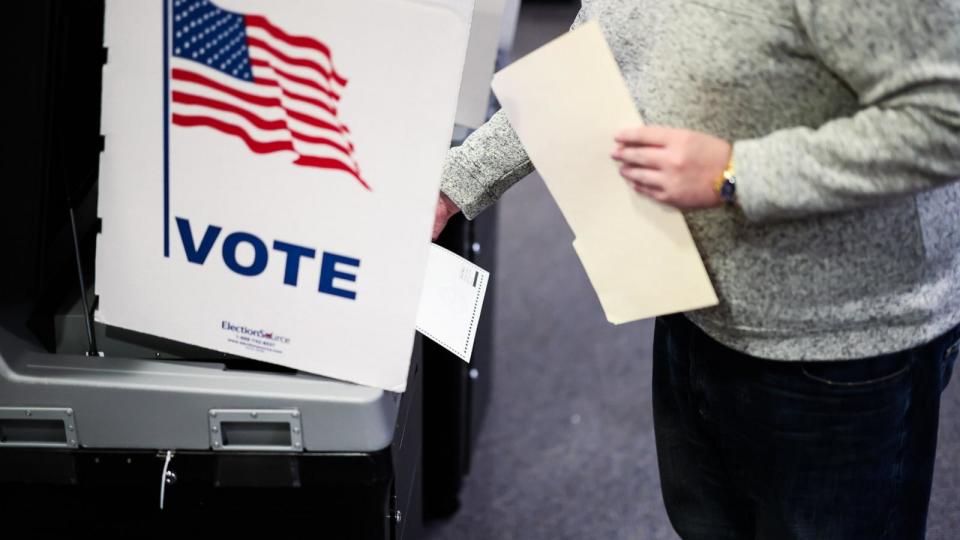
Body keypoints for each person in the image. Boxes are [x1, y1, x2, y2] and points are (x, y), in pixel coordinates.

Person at [432, 1, 960, 538]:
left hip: (838, 346)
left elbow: (944, 119)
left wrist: (736, 173)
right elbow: (594, 52)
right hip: (693, 300)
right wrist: (453, 186)